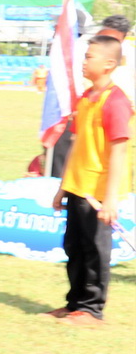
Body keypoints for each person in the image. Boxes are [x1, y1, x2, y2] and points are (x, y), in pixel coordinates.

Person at [46, 34, 131, 322]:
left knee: (95, 250)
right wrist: (62, 187)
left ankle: (92, 310)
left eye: (89, 57)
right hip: (77, 186)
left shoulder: (115, 101)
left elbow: (119, 151)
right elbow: (76, 145)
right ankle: (74, 305)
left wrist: (111, 200)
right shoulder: (85, 99)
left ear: (109, 64)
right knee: (74, 247)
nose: (83, 62)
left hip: (98, 192)